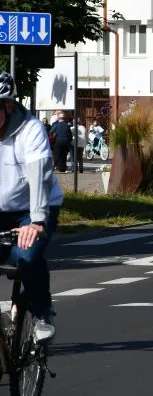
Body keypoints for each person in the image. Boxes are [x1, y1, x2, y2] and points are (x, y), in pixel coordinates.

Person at [0, 72, 60, 343]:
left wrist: (36, 221)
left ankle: (41, 312)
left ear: (8, 106)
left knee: (27, 256)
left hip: (32, 209)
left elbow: (39, 176)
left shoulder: (30, 129)